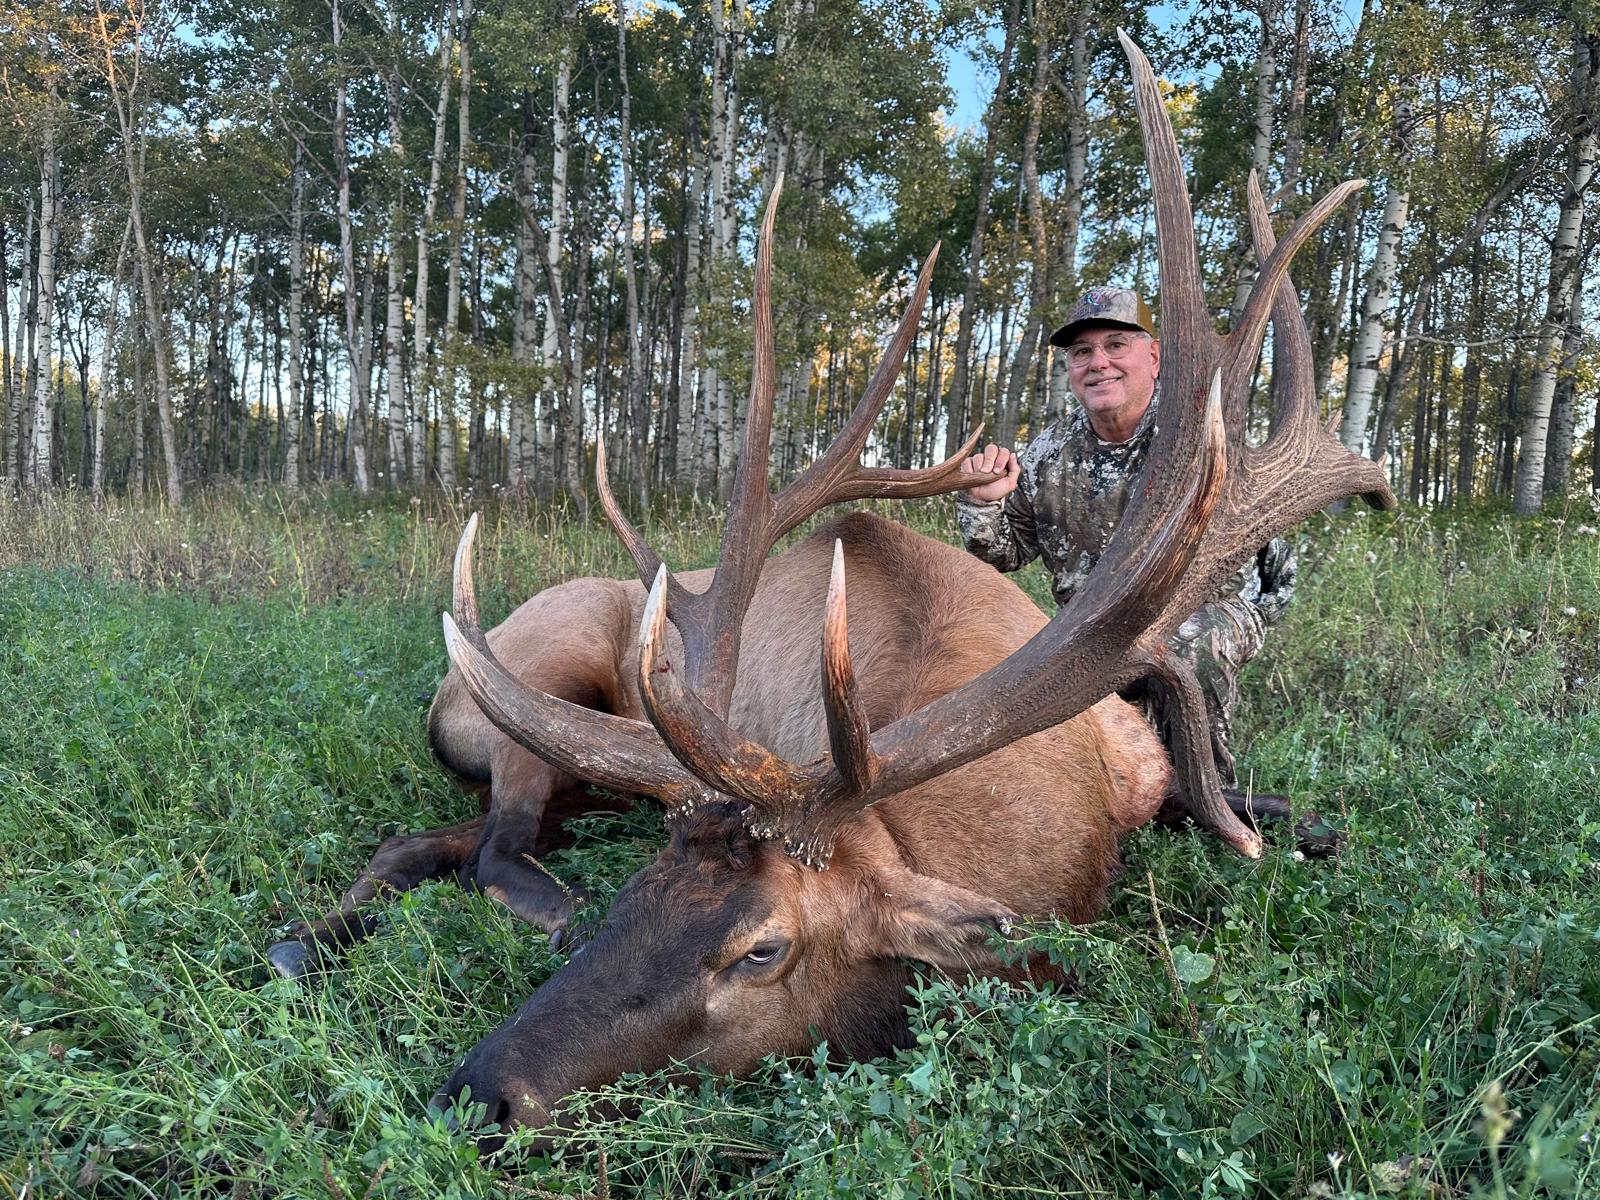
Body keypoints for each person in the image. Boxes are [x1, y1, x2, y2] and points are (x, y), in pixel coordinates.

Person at [955, 286, 1296, 789]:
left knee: (1187, 645)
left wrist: (1257, 615)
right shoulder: (1050, 453)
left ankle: (1207, 793)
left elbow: (1273, 544)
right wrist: (984, 503)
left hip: (1206, 613)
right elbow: (1006, 554)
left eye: (1117, 345)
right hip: (1094, 626)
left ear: (1153, 357)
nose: (1099, 363)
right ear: (1071, 369)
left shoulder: (1204, 432)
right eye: (1082, 352)